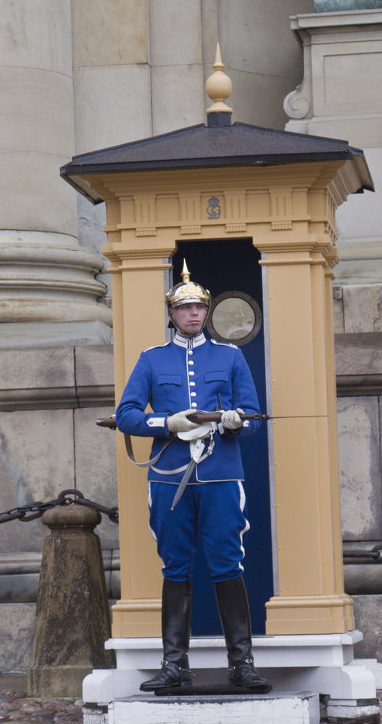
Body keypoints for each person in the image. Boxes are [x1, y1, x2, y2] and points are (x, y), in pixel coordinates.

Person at [115, 262, 270, 693]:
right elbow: (127, 415)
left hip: (221, 475)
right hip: (169, 476)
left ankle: (242, 664)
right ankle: (174, 665)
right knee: (176, 566)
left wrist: (236, 422)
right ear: (172, 315)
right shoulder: (151, 359)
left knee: (226, 564)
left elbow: (254, 419)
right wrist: (169, 424)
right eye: (185, 309)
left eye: (200, 308)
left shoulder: (231, 356)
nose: (194, 315)